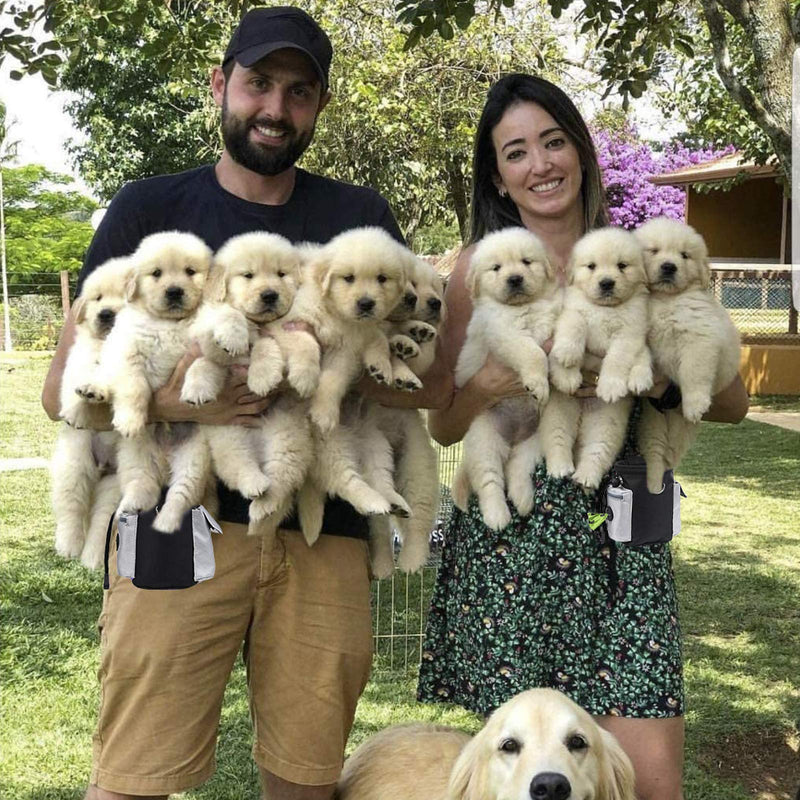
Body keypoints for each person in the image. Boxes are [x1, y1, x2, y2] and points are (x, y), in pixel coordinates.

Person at [41, 7, 441, 799]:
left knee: (306, 779)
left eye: (299, 92)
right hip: (176, 528)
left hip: (321, 536)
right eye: (259, 83)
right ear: (222, 84)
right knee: (133, 775)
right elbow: (65, 392)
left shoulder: (360, 219)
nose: (274, 109)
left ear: (319, 106)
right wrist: (193, 404)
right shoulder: (148, 213)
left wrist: (328, 363)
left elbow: (421, 375)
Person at [416, 73, 750, 800]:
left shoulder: (636, 256)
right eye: (515, 152)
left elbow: (732, 401)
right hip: (514, 547)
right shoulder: (476, 269)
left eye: (553, 141)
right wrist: (497, 385)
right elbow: (442, 419)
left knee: (650, 783)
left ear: (581, 152)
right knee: (529, 780)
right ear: (498, 178)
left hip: (619, 544)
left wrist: (650, 378)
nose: (540, 164)